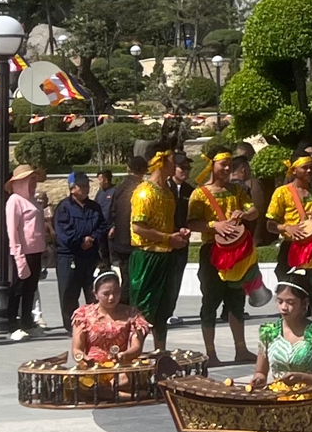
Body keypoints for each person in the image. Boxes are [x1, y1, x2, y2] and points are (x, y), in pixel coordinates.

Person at [190, 153, 261, 366]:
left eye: (230, 165)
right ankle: (210, 353)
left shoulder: (237, 190)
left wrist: (245, 214)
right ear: (212, 166)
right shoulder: (199, 194)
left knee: (237, 300)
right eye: (224, 165)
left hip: (237, 253)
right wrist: (214, 226)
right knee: (210, 301)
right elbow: (192, 222)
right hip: (212, 251)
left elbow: (254, 211)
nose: (228, 169)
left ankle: (241, 349)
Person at [124, 151, 189, 348]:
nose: (176, 166)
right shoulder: (145, 192)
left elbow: (164, 226)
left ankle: (160, 351)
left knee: (163, 308)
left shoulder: (168, 193)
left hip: (165, 256)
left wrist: (178, 233)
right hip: (146, 257)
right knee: (144, 308)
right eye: (172, 162)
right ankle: (135, 351)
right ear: (161, 164)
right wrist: (168, 238)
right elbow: (138, 227)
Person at [267, 151, 312, 316]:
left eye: (311, 167)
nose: (309, 171)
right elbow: (270, 225)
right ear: (294, 170)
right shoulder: (281, 193)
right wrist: (286, 228)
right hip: (291, 248)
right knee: (291, 295)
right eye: (305, 168)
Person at [52, 170, 111, 333]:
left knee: (92, 291)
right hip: (70, 256)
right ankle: (73, 326)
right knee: (68, 293)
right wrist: (80, 241)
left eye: (87, 185)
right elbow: (63, 232)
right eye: (82, 186)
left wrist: (91, 238)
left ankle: (94, 323)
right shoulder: (63, 208)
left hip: (90, 256)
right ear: (72, 188)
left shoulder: (94, 207)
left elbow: (102, 226)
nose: (86, 189)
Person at [251, 281, 312, 387]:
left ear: (304, 303)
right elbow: (260, 372)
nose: (284, 307)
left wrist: (302, 378)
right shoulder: (269, 332)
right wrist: (259, 378)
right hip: (278, 398)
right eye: (280, 301)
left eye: (290, 302)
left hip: (310, 399)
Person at [4, 161, 51, 339]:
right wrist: (18, 254)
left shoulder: (32, 200)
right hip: (22, 251)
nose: (32, 184)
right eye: (28, 180)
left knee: (30, 287)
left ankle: (26, 322)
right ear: (19, 183)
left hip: (36, 251)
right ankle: (12, 325)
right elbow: (12, 230)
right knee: (18, 287)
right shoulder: (14, 201)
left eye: (34, 180)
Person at [71, 269, 153, 365]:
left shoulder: (132, 314)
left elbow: (137, 347)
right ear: (95, 294)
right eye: (106, 294)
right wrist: (84, 358)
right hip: (93, 367)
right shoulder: (83, 315)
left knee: (123, 379)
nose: (112, 298)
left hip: (120, 365)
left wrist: (124, 355)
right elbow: (77, 349)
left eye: (116, 292)